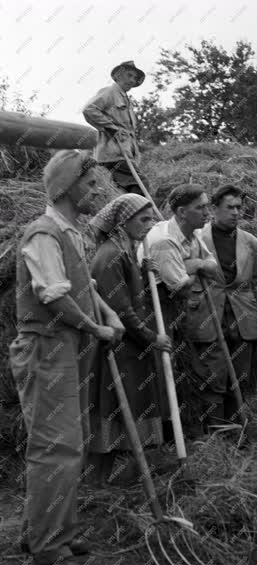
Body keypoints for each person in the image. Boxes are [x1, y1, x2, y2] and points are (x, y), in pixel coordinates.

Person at [10, 150, 124, 565]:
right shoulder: (42, 234)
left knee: (67, 446)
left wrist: (108, 316)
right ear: (66, 187)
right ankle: (48, 551)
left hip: (70, 347)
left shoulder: (72, 233)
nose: (97, 191)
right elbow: (54, 295)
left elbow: (84, 286)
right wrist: (96, 330)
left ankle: (48, 529)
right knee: (55, 448)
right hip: (46, 348)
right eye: (90, 184)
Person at [88, 194, 172, 485]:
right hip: (121, 351)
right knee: (115, 413)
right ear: (123, 222)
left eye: (151, 219)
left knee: (128, 412)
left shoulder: (124, 253)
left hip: (133, 352)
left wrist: (143, 271)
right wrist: (152, 338)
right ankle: (96, 485)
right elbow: (121, 311)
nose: (150, 225)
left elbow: (132, 299)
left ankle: (127, 481)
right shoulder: (110, 256)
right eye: (143, 219)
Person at [140, 184, 219, 437]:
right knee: (163, 370)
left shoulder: (193, 234)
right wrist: (197, 266)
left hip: (177, 310)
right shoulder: (164, 240)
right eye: (201, 207)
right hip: (155, 308)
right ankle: (162, 437)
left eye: (207, 205)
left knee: (186, 368)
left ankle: (186, 429)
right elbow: (181, 289)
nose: (207, 212)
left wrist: (191, 264)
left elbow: (214, 269)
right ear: (182, 212)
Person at [198, 184, 257, 403]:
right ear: (214, 209)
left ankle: (239, 426)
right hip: (209, 314)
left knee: (241, 374)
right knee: (212, 375)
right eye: (229, 207)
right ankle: (216, 429)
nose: (235, 212)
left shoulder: (251, 242)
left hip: (243, 317)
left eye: (239, 207)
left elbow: (255, 277)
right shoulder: (198, 238)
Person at [83, 60, 149, 193]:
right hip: (112, 154)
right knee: (140, 186)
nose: (132, 80)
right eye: (129, 75)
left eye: (134, 78)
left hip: (125, 154)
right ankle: (137, 213)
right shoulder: (109, 92)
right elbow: (89, 109)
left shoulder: (127, 100)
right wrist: (111, 128)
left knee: (125, 191)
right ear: (118, 75)